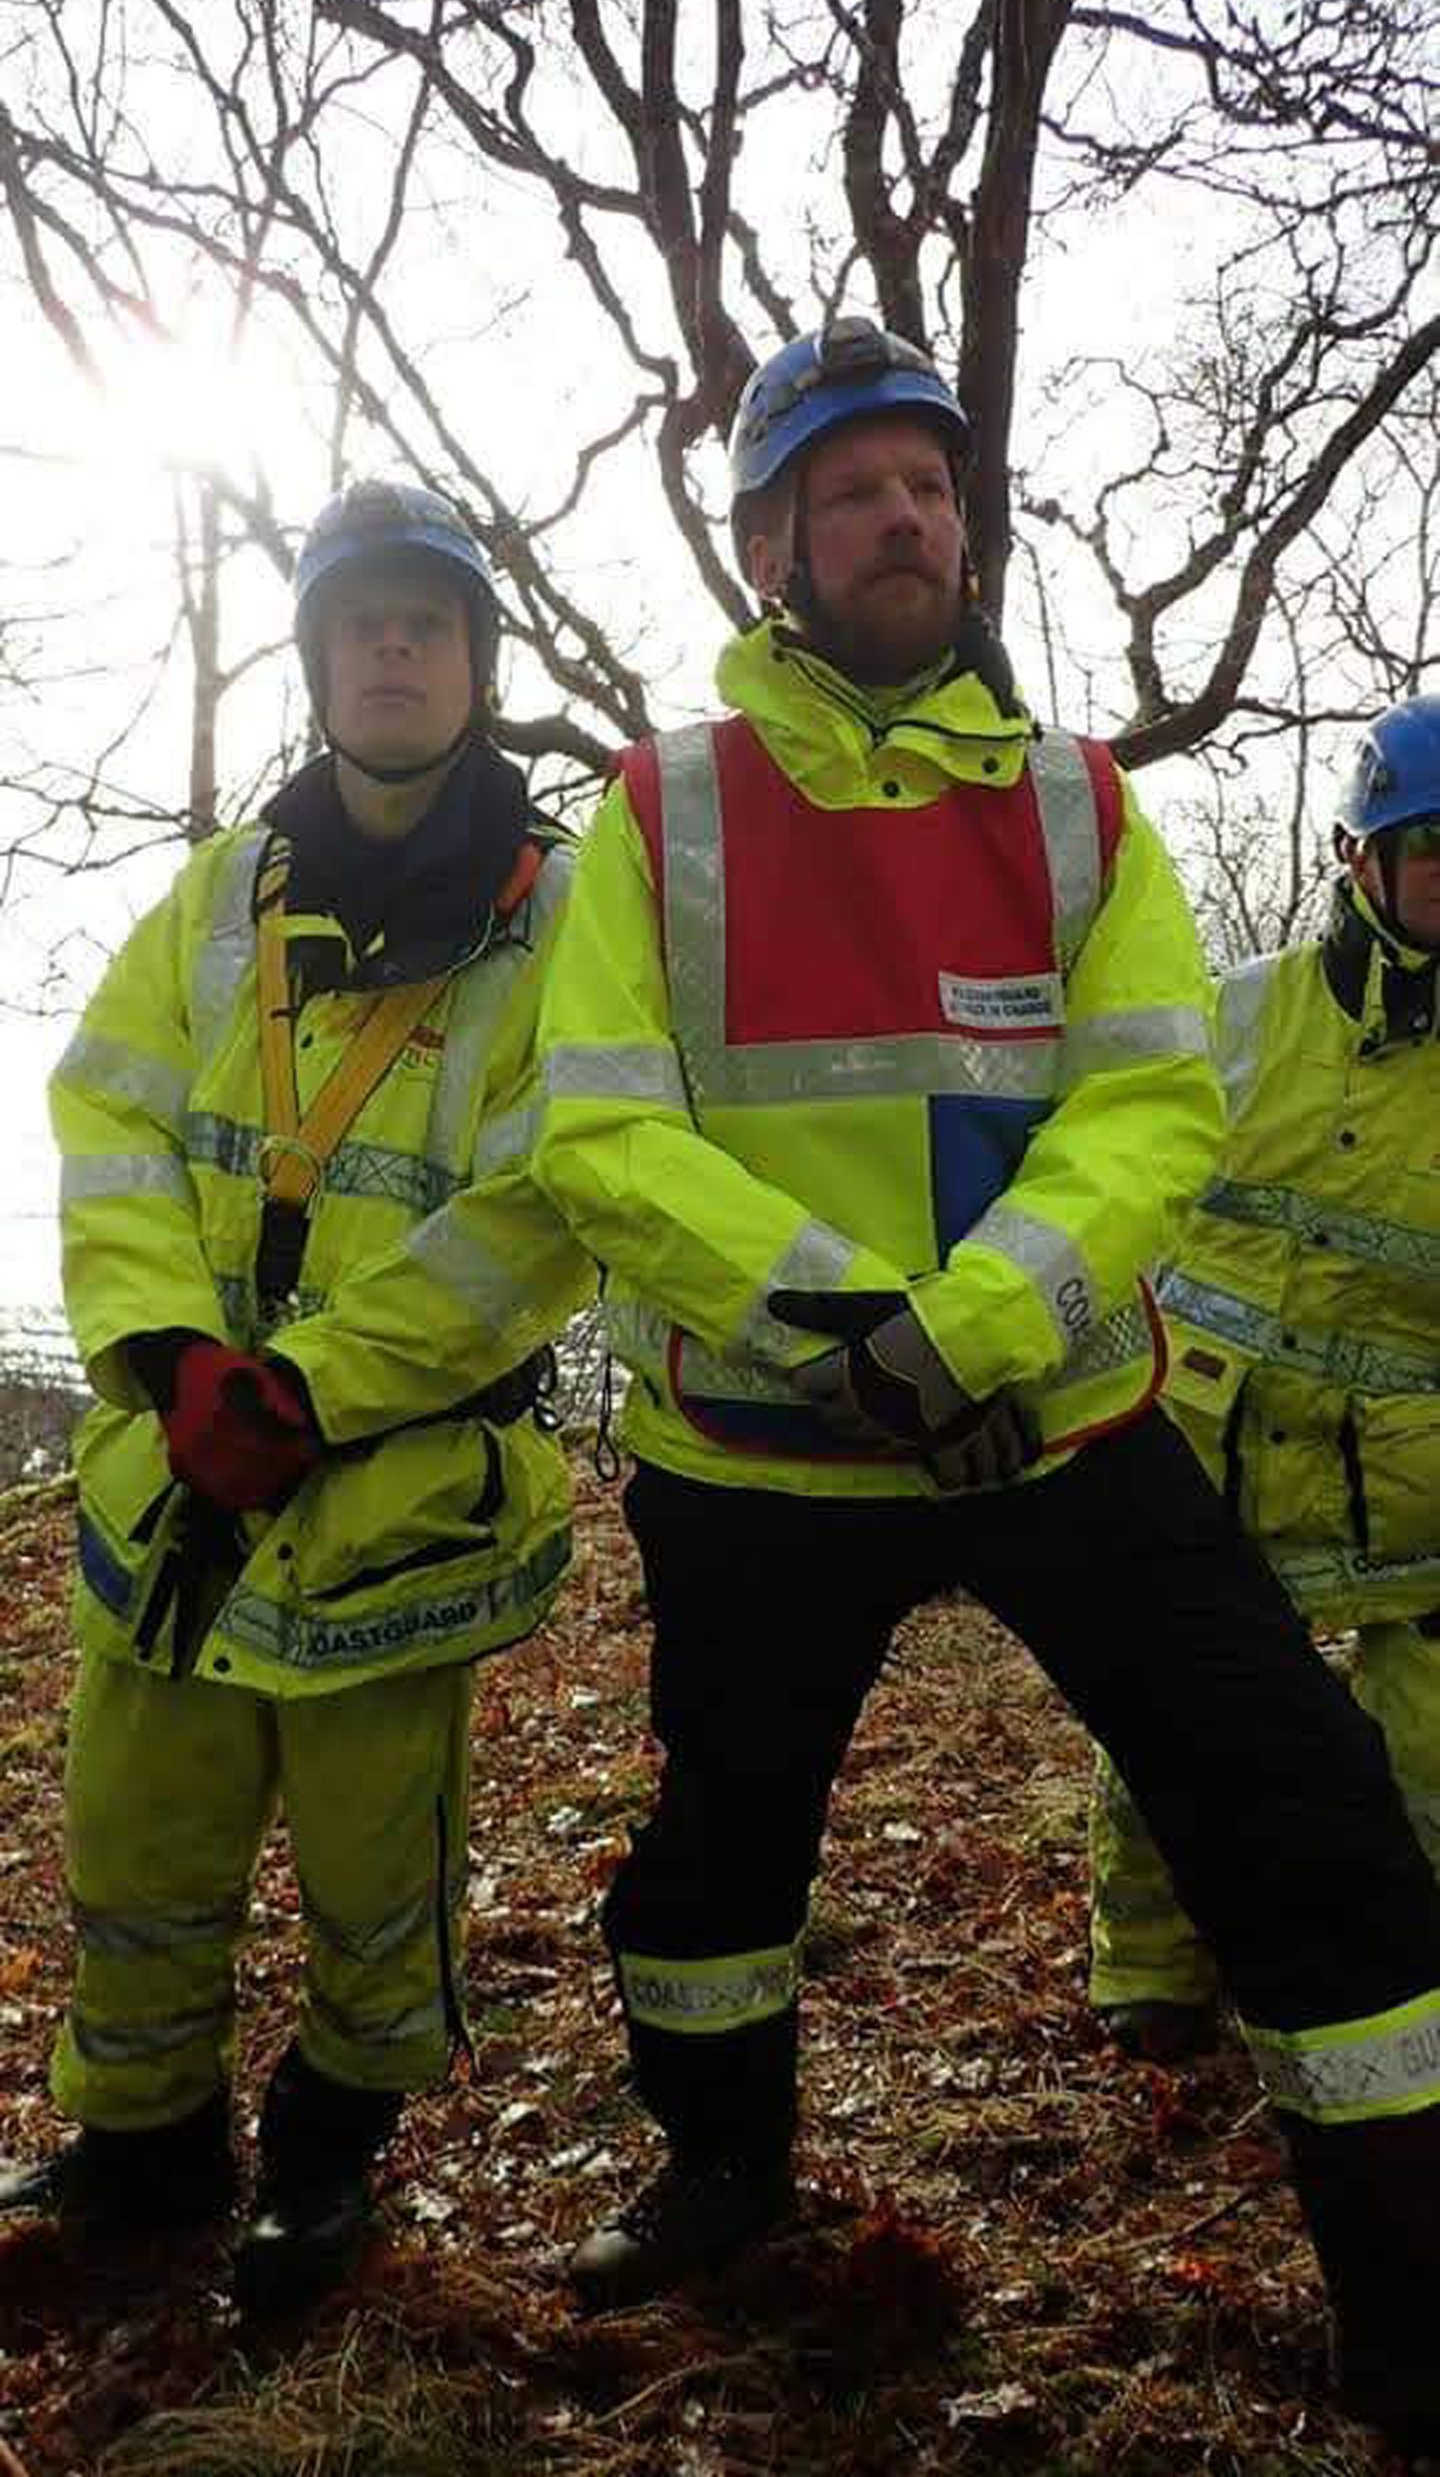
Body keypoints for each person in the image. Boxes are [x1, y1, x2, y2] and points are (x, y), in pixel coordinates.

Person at [532, 321, 1440, 2452]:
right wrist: (848, 1320)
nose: (905, 515)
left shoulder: (1075, 798)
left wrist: (979, 1329)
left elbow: (1152, 1113)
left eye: (929, 481)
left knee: (1311, 1813)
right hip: (762, 1446)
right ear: (769, 540)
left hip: (1057, 1424)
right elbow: (598, 1126)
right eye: (853, 487)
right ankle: (726, 2174)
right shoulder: (658, 805)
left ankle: (1409, 2299)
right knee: (717, 1861)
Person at [0, 479, 592, 2314]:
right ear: (320, 661)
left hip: (385, 1486)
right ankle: (144, 2143)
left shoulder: (564, 920)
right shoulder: (220, 896)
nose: (391, 648)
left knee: (373, 1857)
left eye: (426, 622)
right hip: (181, 1466)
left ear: (477, 664)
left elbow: (550, 1193)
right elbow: (107, 1117)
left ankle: (331, 2156)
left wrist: (315, 1387)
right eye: (359, 624)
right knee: (138, 1828)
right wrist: (178, 1359)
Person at [1090, 692, 1440, 2064]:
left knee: (1430, 1757)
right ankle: (1152, 1969)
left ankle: (1407, 1979)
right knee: (1168, 1724)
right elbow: (1108, 1189)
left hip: (1410, 1489)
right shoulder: (1230, 1021)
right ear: (1359, 861)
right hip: (1206, 1447)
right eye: (1437, 852)